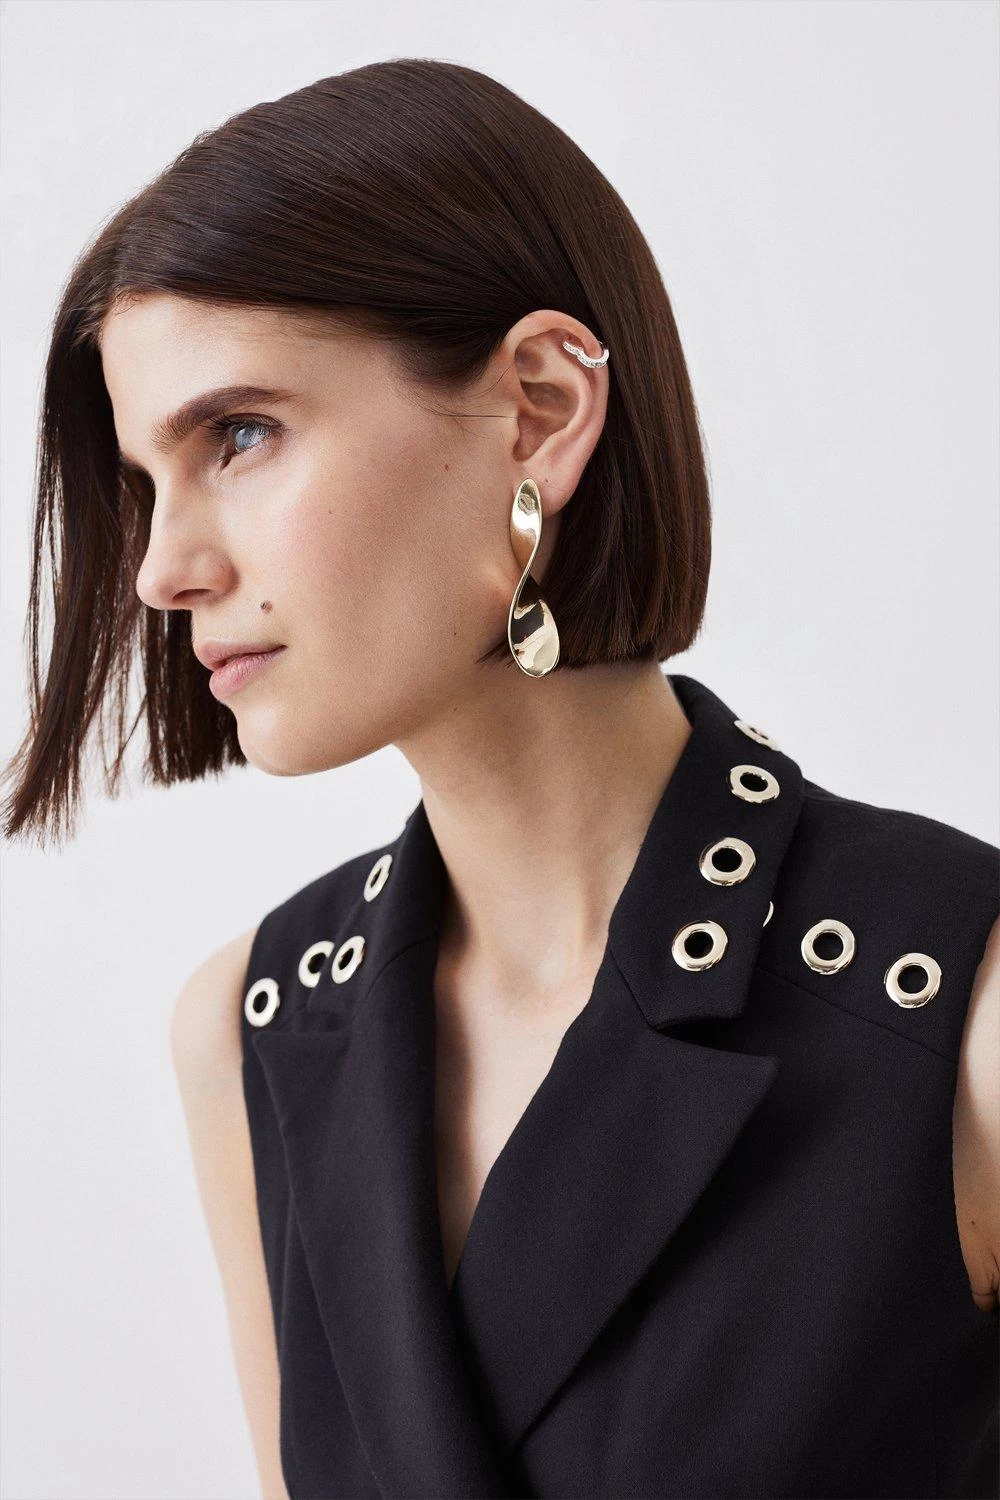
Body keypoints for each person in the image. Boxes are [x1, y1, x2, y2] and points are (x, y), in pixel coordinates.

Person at [3, 57, 997, 1500]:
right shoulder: (249, 1029)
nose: (163, 568)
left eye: (241, 434)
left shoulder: (957, 1008)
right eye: (146, 482)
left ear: (537, 410)